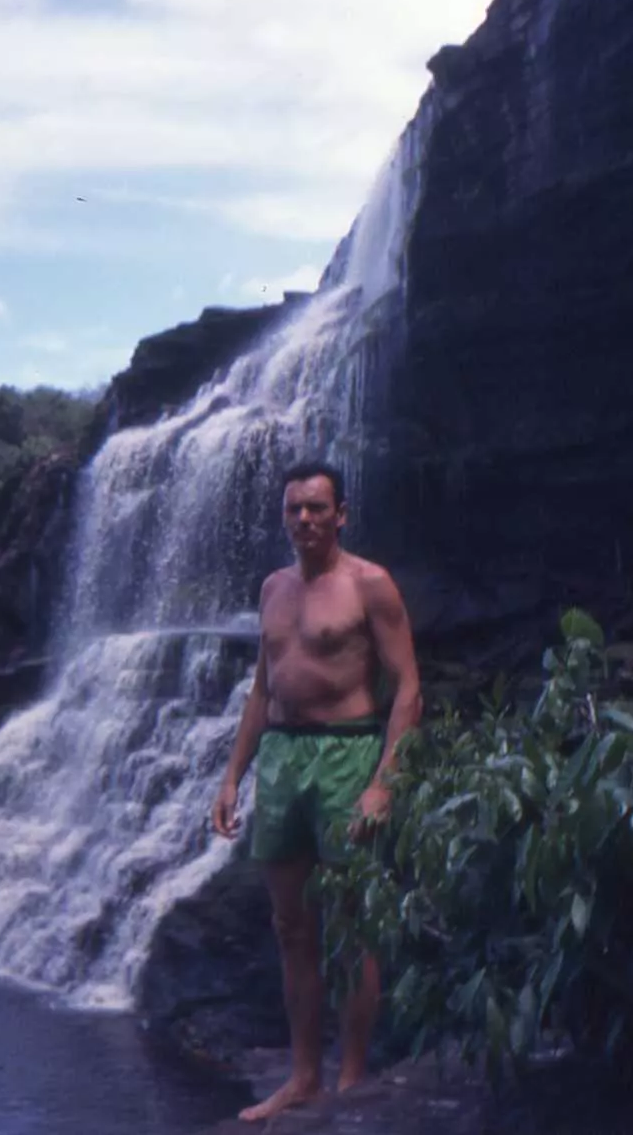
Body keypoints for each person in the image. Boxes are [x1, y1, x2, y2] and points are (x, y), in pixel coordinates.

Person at [210, 459, 423, 1123]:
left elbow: (409, 688)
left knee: (353, 926)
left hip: (348, 753)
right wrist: (231, 777)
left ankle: (352, 1077)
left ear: (341, 515)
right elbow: (262, 690)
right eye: (294, 508)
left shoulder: (371, 585)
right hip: (281, 758)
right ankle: (303, 1076)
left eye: (317, 508)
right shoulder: (273, 588)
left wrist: (383, 784)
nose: (304, 518)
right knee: (291, 926)